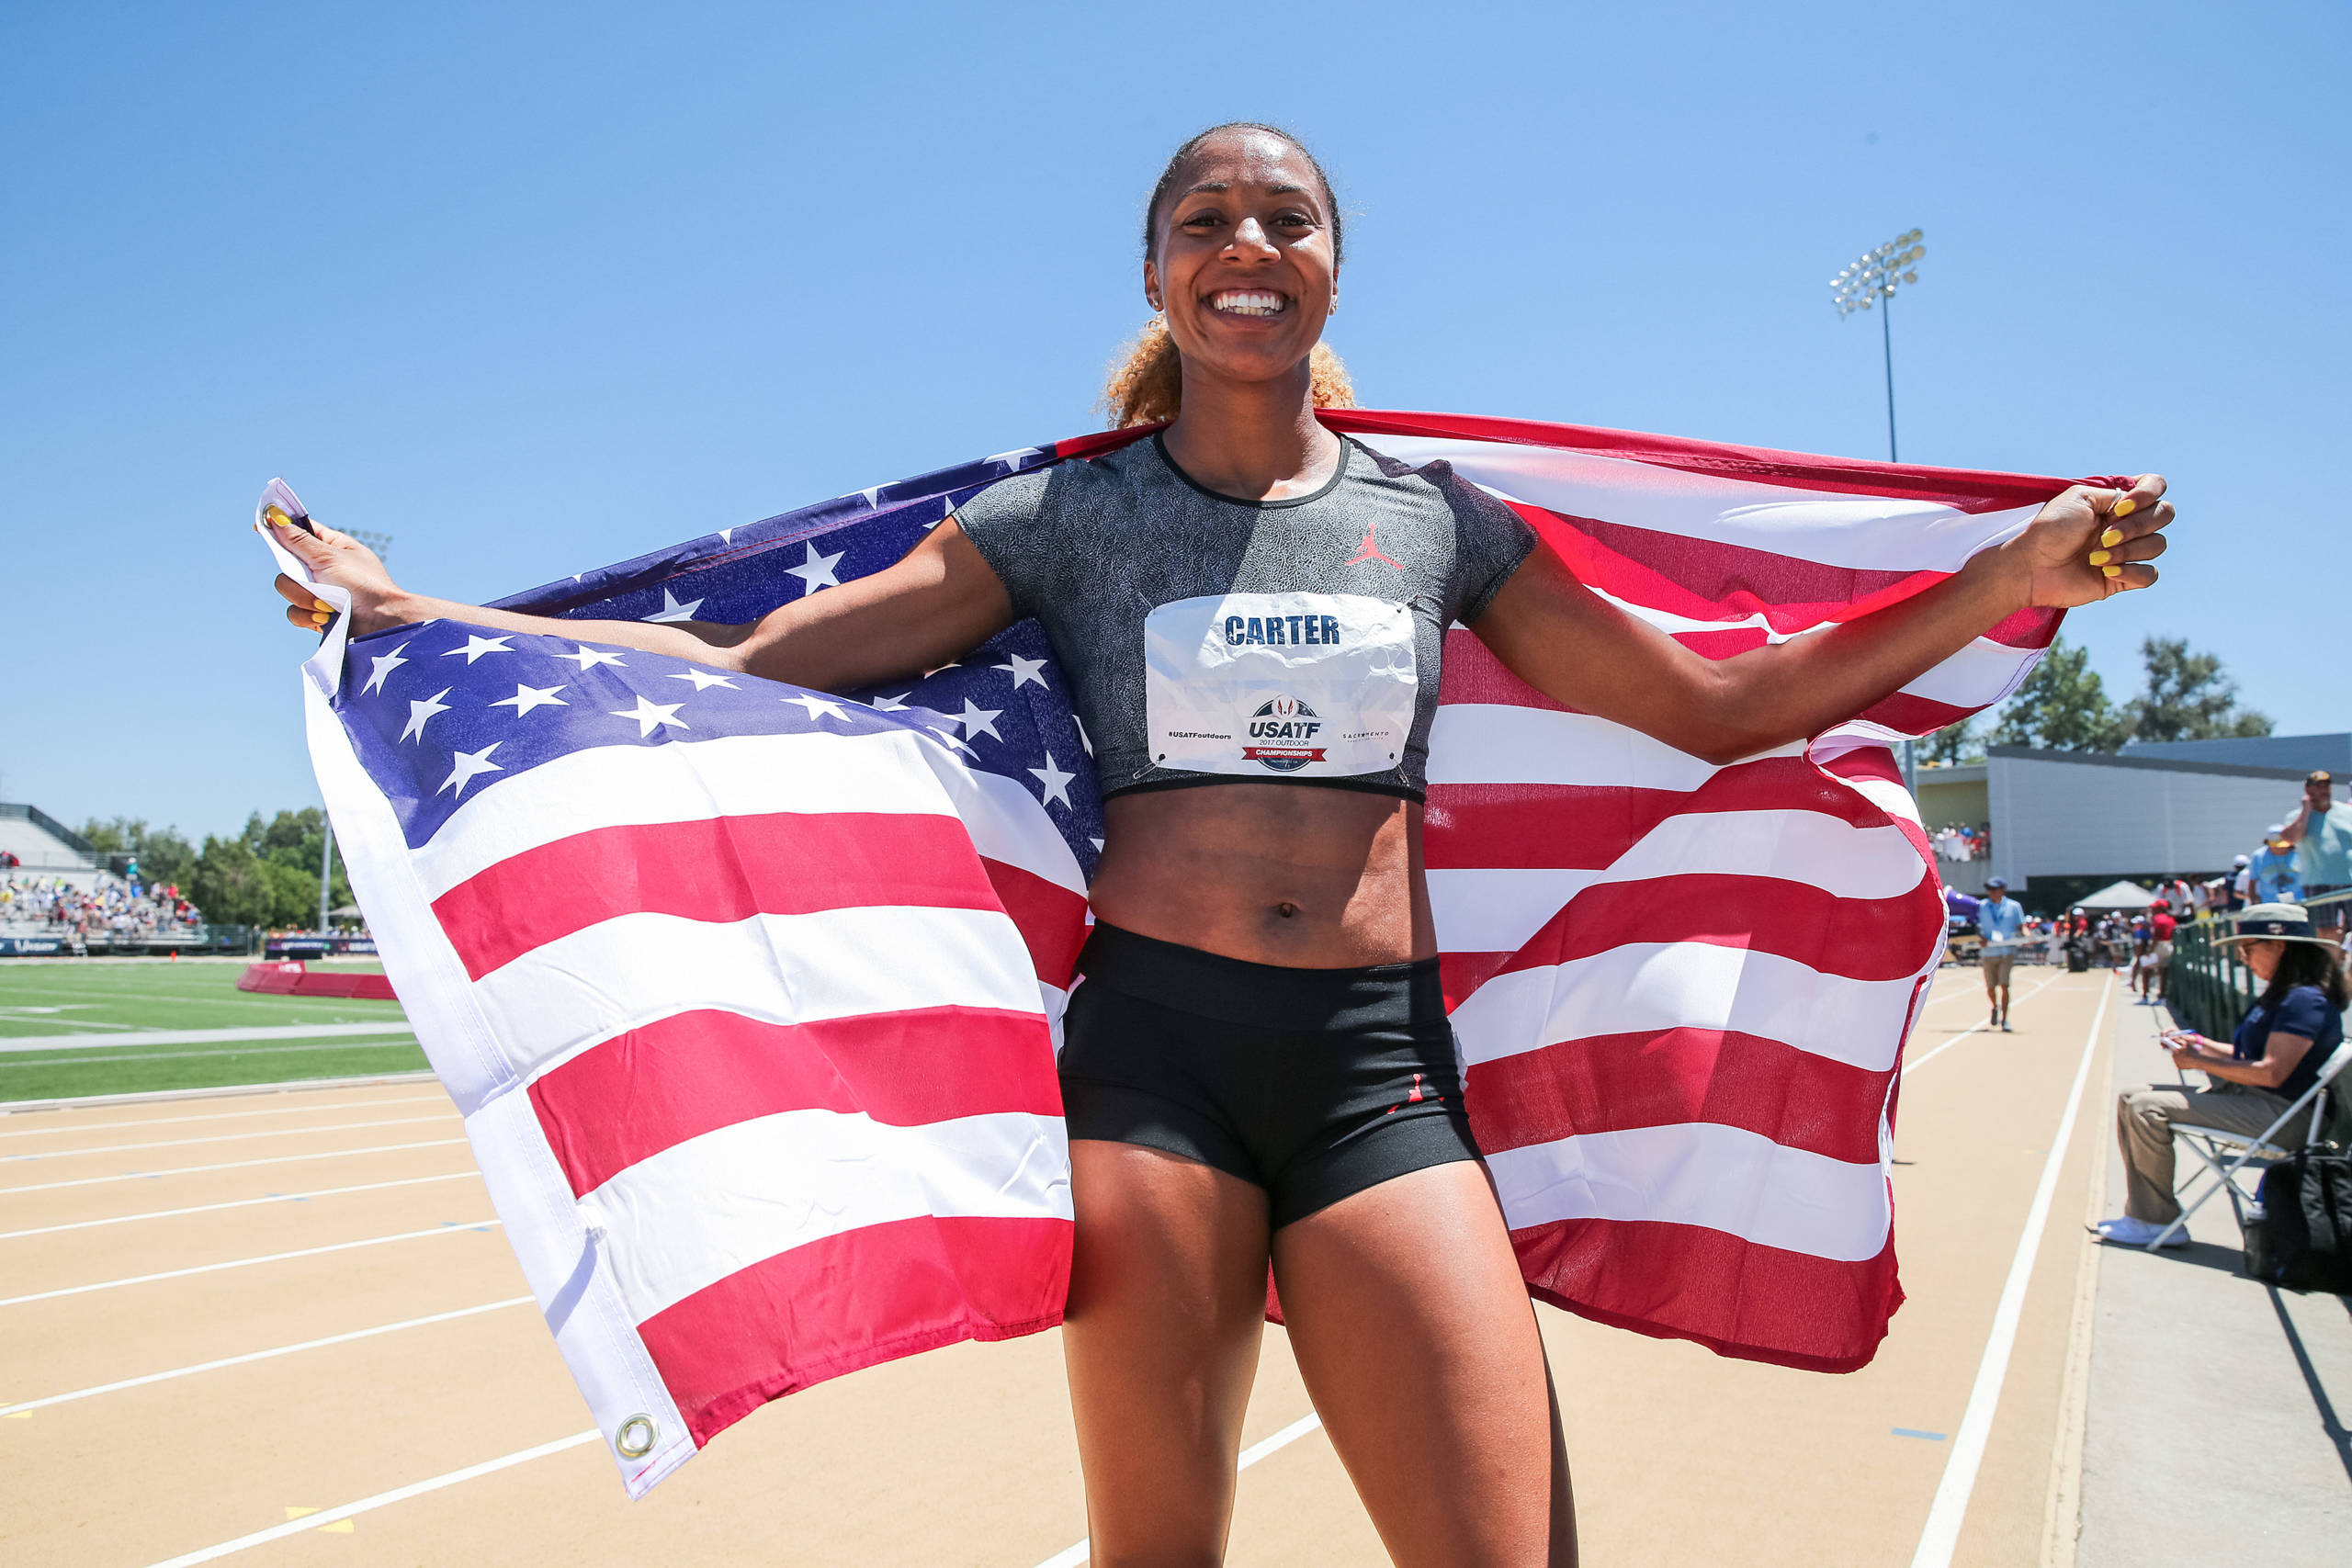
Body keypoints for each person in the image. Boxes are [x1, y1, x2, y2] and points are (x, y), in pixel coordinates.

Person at [261, 122, 2177, 1565]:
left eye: (1284, 219)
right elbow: (740, 662)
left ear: (1331, 271)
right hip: (1151, 1070)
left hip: (1369, 1078)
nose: (1246, 244)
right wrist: (424, 616)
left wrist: (1996, 578)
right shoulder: (1063, 519)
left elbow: (1709, 704)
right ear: (1158, 274)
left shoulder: (1437, 521)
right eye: (1206, 221)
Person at [2096, 904, 2346, 1247]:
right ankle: (2147, 1214)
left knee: (2145, 1108)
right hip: (2262, 1104)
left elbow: (2271, 1073)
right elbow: (2250, 1058)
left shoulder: (2303, 1000)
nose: (2243, 958)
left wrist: (2199, 1061)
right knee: (2131, 1097)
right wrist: (2199, 1044)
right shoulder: (2286, 994)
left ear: (2278, 945)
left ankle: (2155, 1221)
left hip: (2283, 1117)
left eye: (2248, 948)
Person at [2283, 771, 2351, 933]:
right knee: (2327, 931)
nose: (2324, 791)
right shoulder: (2296, 817)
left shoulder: (2347, 812)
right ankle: (2333, 959)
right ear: (2308, 790)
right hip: (2318, 882)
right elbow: (2290, 838)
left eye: (2326, 786)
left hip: (2349, 880)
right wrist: (2306, 811)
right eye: (2319, 787)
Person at [1976, 876, 2025, 1030]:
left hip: (2006, 951)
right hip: (1988, 952)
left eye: (1994, 889)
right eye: (1989, 889)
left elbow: (2021, 926)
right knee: (1990, 987)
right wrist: (1980, 938)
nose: (1991, 892)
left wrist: (2028, 936)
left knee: (2004, 985)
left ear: (2002, 890)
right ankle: (1995, 1007)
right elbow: (1975, 926)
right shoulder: (1982, 906)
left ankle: (2005, 1019)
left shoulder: (2014, 906)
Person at [2251, 824, 2303, 906]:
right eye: (2277, 846)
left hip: (2298, 903)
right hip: (2270, 905)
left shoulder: (2298, 854)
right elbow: (2252, 881)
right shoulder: (2258, 856)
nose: (2281, 849)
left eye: (2284, 845)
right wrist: (2253, 903)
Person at [2146, 897, 2177, 1005]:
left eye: (2155, 908)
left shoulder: (2158, 918)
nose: (2152, 910)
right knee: (2163, 971)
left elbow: (2156, 936)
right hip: (2169, 945)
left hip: (2160, 946)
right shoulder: (2171, 918)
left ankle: (2145, 996)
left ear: (2161, 909)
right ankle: (2161, 996)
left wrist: (2150, 951)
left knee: (2145, 968)